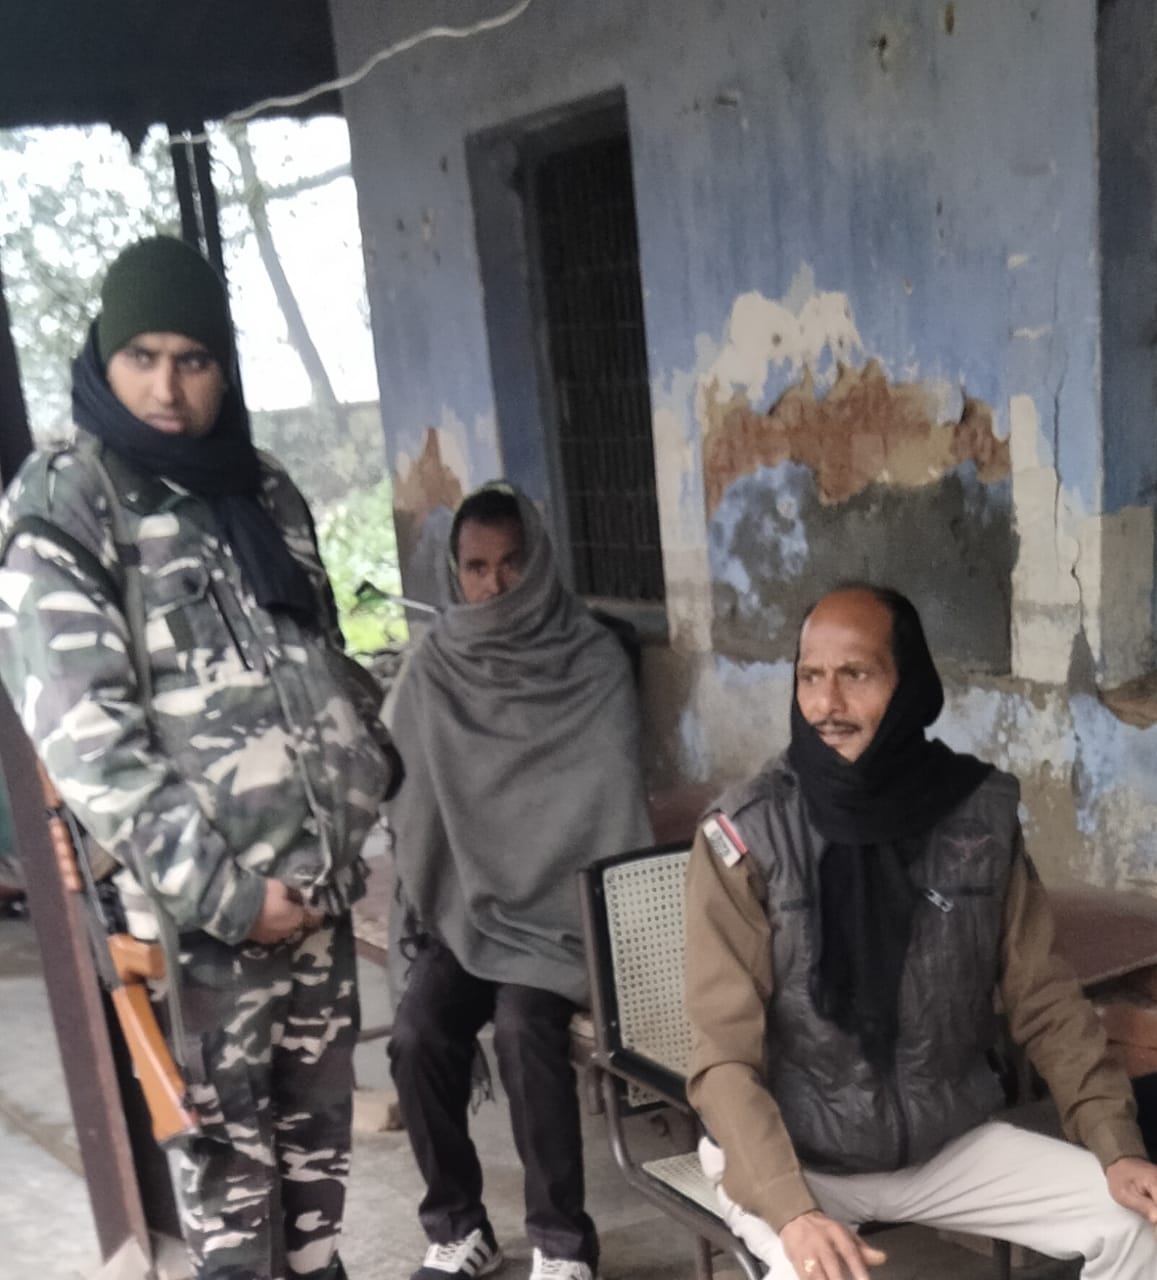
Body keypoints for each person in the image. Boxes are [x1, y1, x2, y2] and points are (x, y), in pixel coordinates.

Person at [0, 235, 400, 1280]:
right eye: (143, 357)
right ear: (105, 357)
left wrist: (367, 779)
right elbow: (88, 740)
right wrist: (228, 895)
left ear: (224, 366)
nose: (168, 389)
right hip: (206, 934)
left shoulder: (261, 490)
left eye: (193, 359)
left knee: (315, 1221)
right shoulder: (70, 504)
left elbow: (316, 658)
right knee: (235, 1226)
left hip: (314, 905)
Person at [685, 584, 1157, 1280]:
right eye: (810, 677)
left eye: (856, 674)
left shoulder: (976, 816)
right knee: (815, 1272)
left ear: (908, 685)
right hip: (795, 1157)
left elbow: (1046, 1000)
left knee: (1136, 1226)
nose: (826, 704)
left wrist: (1116, 1146)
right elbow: (723, 1058)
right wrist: (792, 1210)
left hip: (943, 1145)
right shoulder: (746, 835)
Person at [386, 483, 653, 1280]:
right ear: (454, 573)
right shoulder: (433, 667)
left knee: (522, 1030)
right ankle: (458, 1227)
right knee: (417, 1033)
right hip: (467, 909)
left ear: (539, 563)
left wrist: (551, 893)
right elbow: (408, 799)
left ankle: (562, 1244)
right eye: (476, 568)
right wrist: (441, 895)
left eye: (510, 563)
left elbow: (603, 807)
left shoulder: (592, 660)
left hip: (559, 919)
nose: (494, 584)